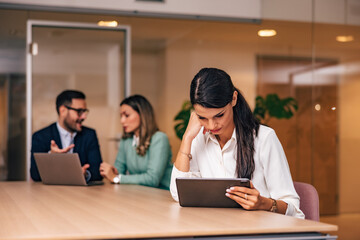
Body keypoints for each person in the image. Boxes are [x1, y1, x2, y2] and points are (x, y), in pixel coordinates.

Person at [170, 68, 304, 218]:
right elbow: (178, 194)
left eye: (219, 115)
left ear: (234, 99)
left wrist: (263, 203)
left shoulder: (264, 138)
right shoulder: (198, 139)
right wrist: (187, 138)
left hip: (257, 231)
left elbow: (294, 210)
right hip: (216, 228)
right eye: (202, 118)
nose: (212, 125)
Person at [100, 95, 173, 190]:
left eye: (126, 115)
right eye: (121, 116)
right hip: (140, 192)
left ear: (142, 115)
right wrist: (111, 172)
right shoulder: (126, 140)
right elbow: (118, 172)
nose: (122, 121)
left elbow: (152, 179)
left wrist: (117, 178)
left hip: (162, 193)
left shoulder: (159, 138)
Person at [30, 90, 102, 182]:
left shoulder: (89, 135)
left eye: (85, 111)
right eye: (79, 111)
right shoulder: (40, 136)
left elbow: (98, 171)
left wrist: (85, 174)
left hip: (82, 194)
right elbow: (35, 174)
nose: (84, 117)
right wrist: (50, 157)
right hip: (50, 194)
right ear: (63, 110)